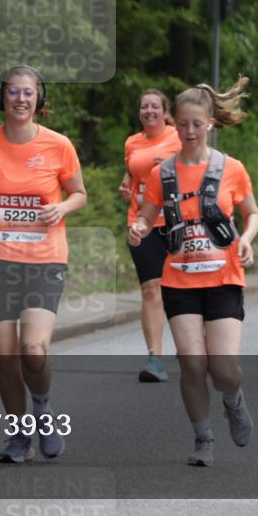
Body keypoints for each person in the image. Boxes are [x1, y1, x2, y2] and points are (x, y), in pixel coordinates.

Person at [0, 64, 87, 463]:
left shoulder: (59, 145)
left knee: (33, 350)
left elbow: (79, 193)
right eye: (13, 92)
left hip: (43, 261)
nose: (20, 99)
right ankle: (18, 435)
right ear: (2, 97)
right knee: (6, 357)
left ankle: (43, 409)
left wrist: (62, 206)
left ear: (39, 99)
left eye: (28, 93)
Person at [127, 78, 258, 467]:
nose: (188, 132)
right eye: (182, 124)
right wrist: (137, 229)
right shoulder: (162, 173)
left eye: (196, 125)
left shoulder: (230, 169)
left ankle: (233, 399)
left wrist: (247, 239)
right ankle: (203, 438)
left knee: (222, 369)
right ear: (174, 123)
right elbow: (146, 217)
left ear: (210, 125)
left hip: (223, 279)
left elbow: (251, 214)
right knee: (192, 363)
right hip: (179, 279)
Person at [118, 89, 181, 381]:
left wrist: (169, 169)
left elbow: (196, 167)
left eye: (155, 106)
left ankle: (194, 349)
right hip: (141, 221)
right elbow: (131, 176)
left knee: (182, 289)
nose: (149, 111)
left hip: (176, 221)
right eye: (144, 107)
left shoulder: (178, 136)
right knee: (150, 289)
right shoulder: (132, 142)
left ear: (166, 112)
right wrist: (125, 187)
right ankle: (155, 358)